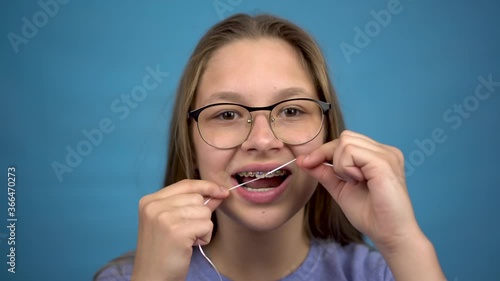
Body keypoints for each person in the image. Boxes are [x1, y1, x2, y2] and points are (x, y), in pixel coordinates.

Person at [94, 13, 446, 281]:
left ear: (329, 133)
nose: (262, 141)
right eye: (228, 114)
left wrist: (404, 243)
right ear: (190, 143)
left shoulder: (384, 273)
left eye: (291, 110)